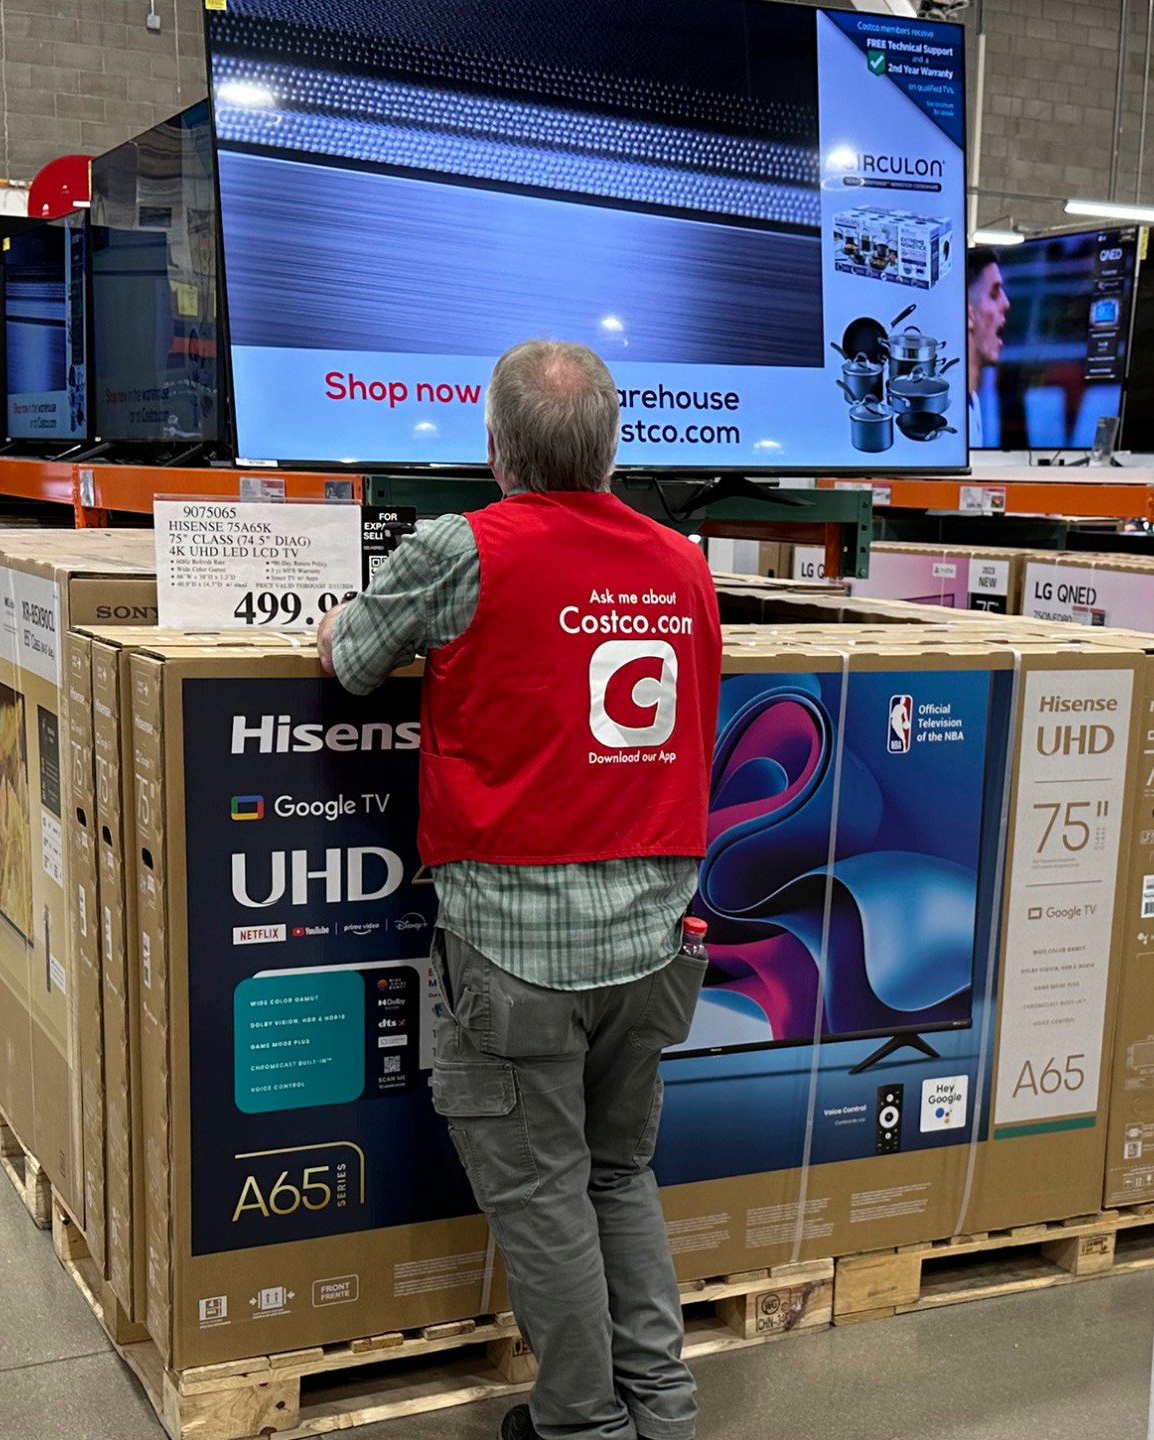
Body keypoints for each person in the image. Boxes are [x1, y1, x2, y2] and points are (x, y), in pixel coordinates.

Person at [319, 339, 722, 1440]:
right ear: (612, 448)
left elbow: (349, 658)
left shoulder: (463, 551)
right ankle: (664, 1413)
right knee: (617, 1173)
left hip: (514, 961)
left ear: (493, 449)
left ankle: (582, 1428)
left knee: (545, 1194)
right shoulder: (682, 562)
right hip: (655, 947)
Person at [964, 249, 1010, 448]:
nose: (1006, 304)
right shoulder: (939, 414)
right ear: (968, 315)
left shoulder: (973, 400)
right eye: (994, 293)